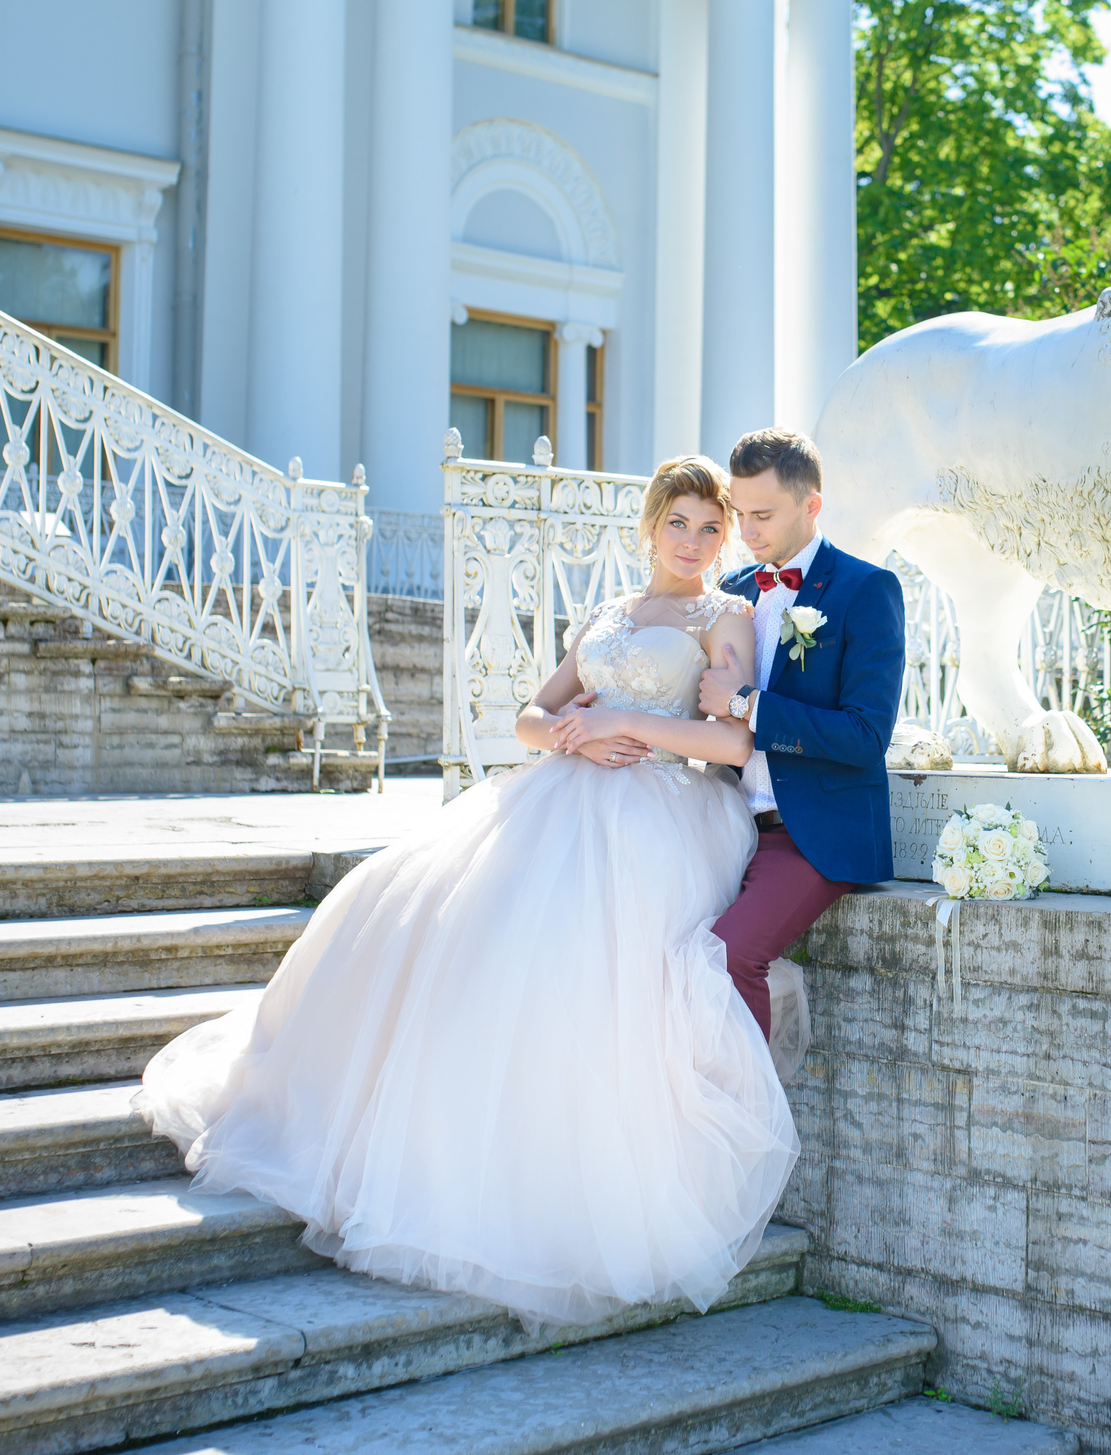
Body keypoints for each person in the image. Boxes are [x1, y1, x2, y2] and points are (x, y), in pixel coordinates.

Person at [137, 457, 793, 1328]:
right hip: (567, 789)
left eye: (711, 528)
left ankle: (560, 1175)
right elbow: (529, 713)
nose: (696, 542)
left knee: (578, 969)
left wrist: (623, 721)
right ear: (650, 525)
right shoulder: (608, 612)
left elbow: (729, 742)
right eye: (680, 522)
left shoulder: (727, 614)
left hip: (663, 811)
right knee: (429, 919)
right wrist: (571, 737)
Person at [698, 428, 908, 1037]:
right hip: (724, 822)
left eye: (762, 515)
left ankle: (743, 1123)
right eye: (739, 515)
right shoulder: (732, 592)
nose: (746, 532)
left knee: (728, 956)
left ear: (811, 505)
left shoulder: (865, 591)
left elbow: (865, 735)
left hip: (810, 834)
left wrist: (749, 706)